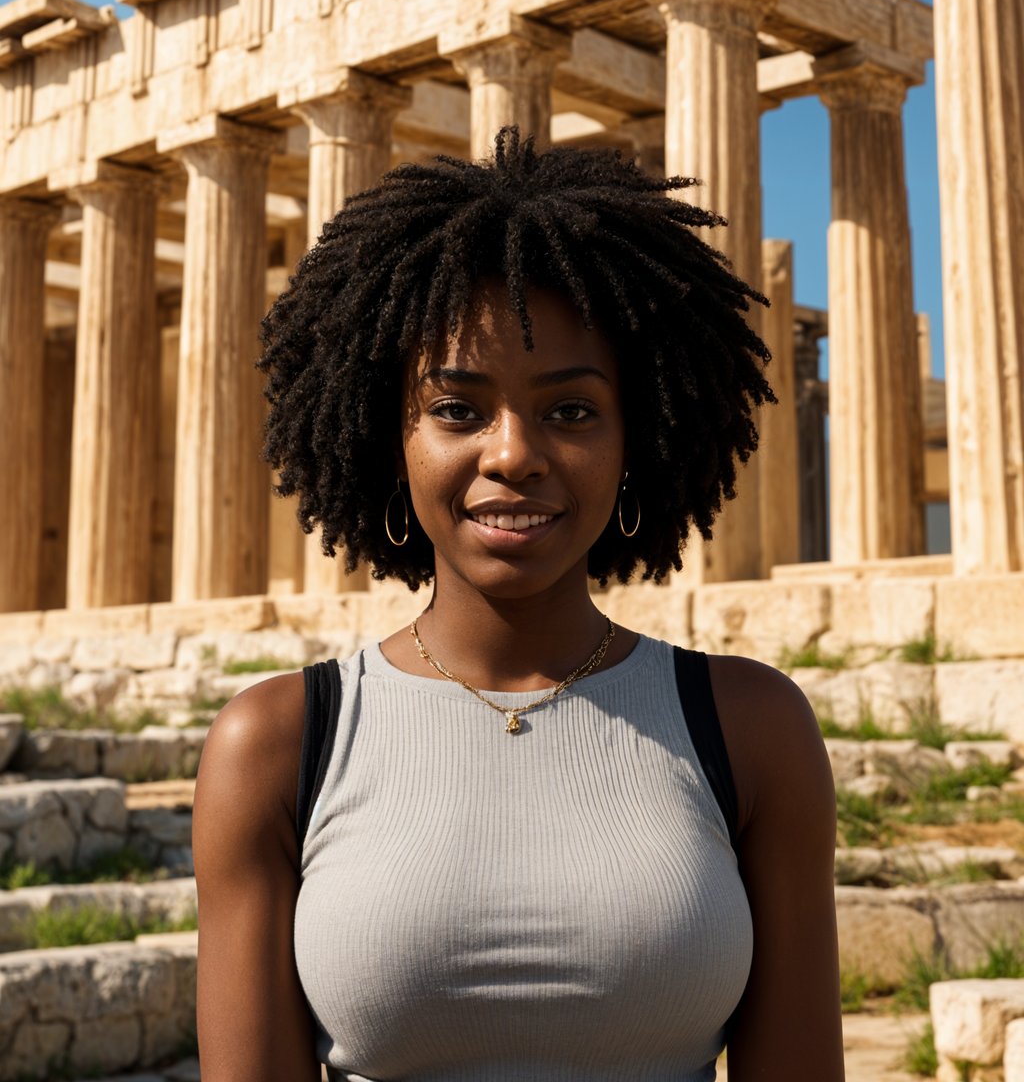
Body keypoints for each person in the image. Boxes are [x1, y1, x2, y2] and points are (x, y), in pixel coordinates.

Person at [192, 127, 844, 1082]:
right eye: (458, 408)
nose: (513, 453)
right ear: (392, 438)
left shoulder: (751, 727)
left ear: (641, 440)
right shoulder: (276, 745)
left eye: (572, 411)